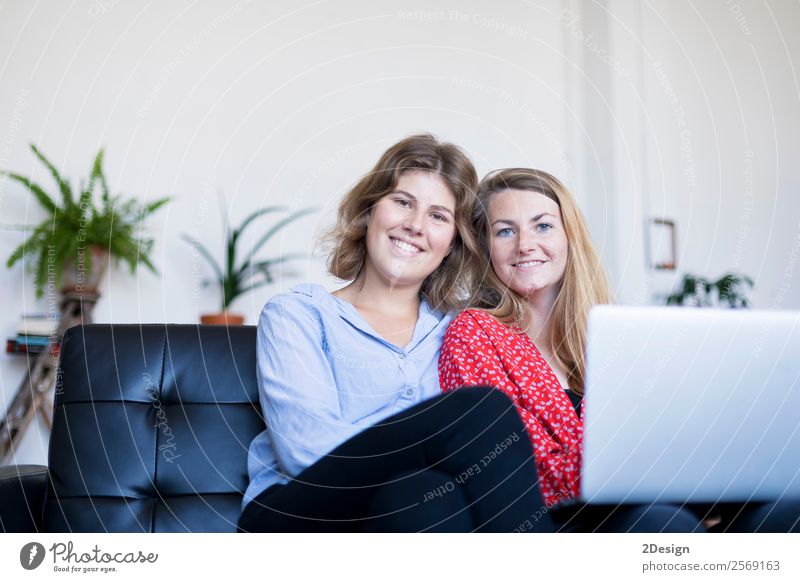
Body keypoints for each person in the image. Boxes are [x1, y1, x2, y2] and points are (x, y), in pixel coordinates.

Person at [238, 136, 554, 532]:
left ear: (452, 243)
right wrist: (435, 441)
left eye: (439, 216)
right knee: (480, 411)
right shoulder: (298, 314)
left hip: (395, 513)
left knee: (423, 494)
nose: (415, 225)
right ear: (369, 210)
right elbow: (305, 452)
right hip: (295, 513)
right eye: (403, 202)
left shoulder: (459, 332)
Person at [439, 168, 706, 532]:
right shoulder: (473, 334)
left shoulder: (611, 333)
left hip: (652, 495)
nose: (525, 244)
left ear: (569, 237)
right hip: (549, 522)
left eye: (543, 226)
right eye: (505, 231)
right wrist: (653, 456)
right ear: (487, 250)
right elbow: (526, 471)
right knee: (664, 525)